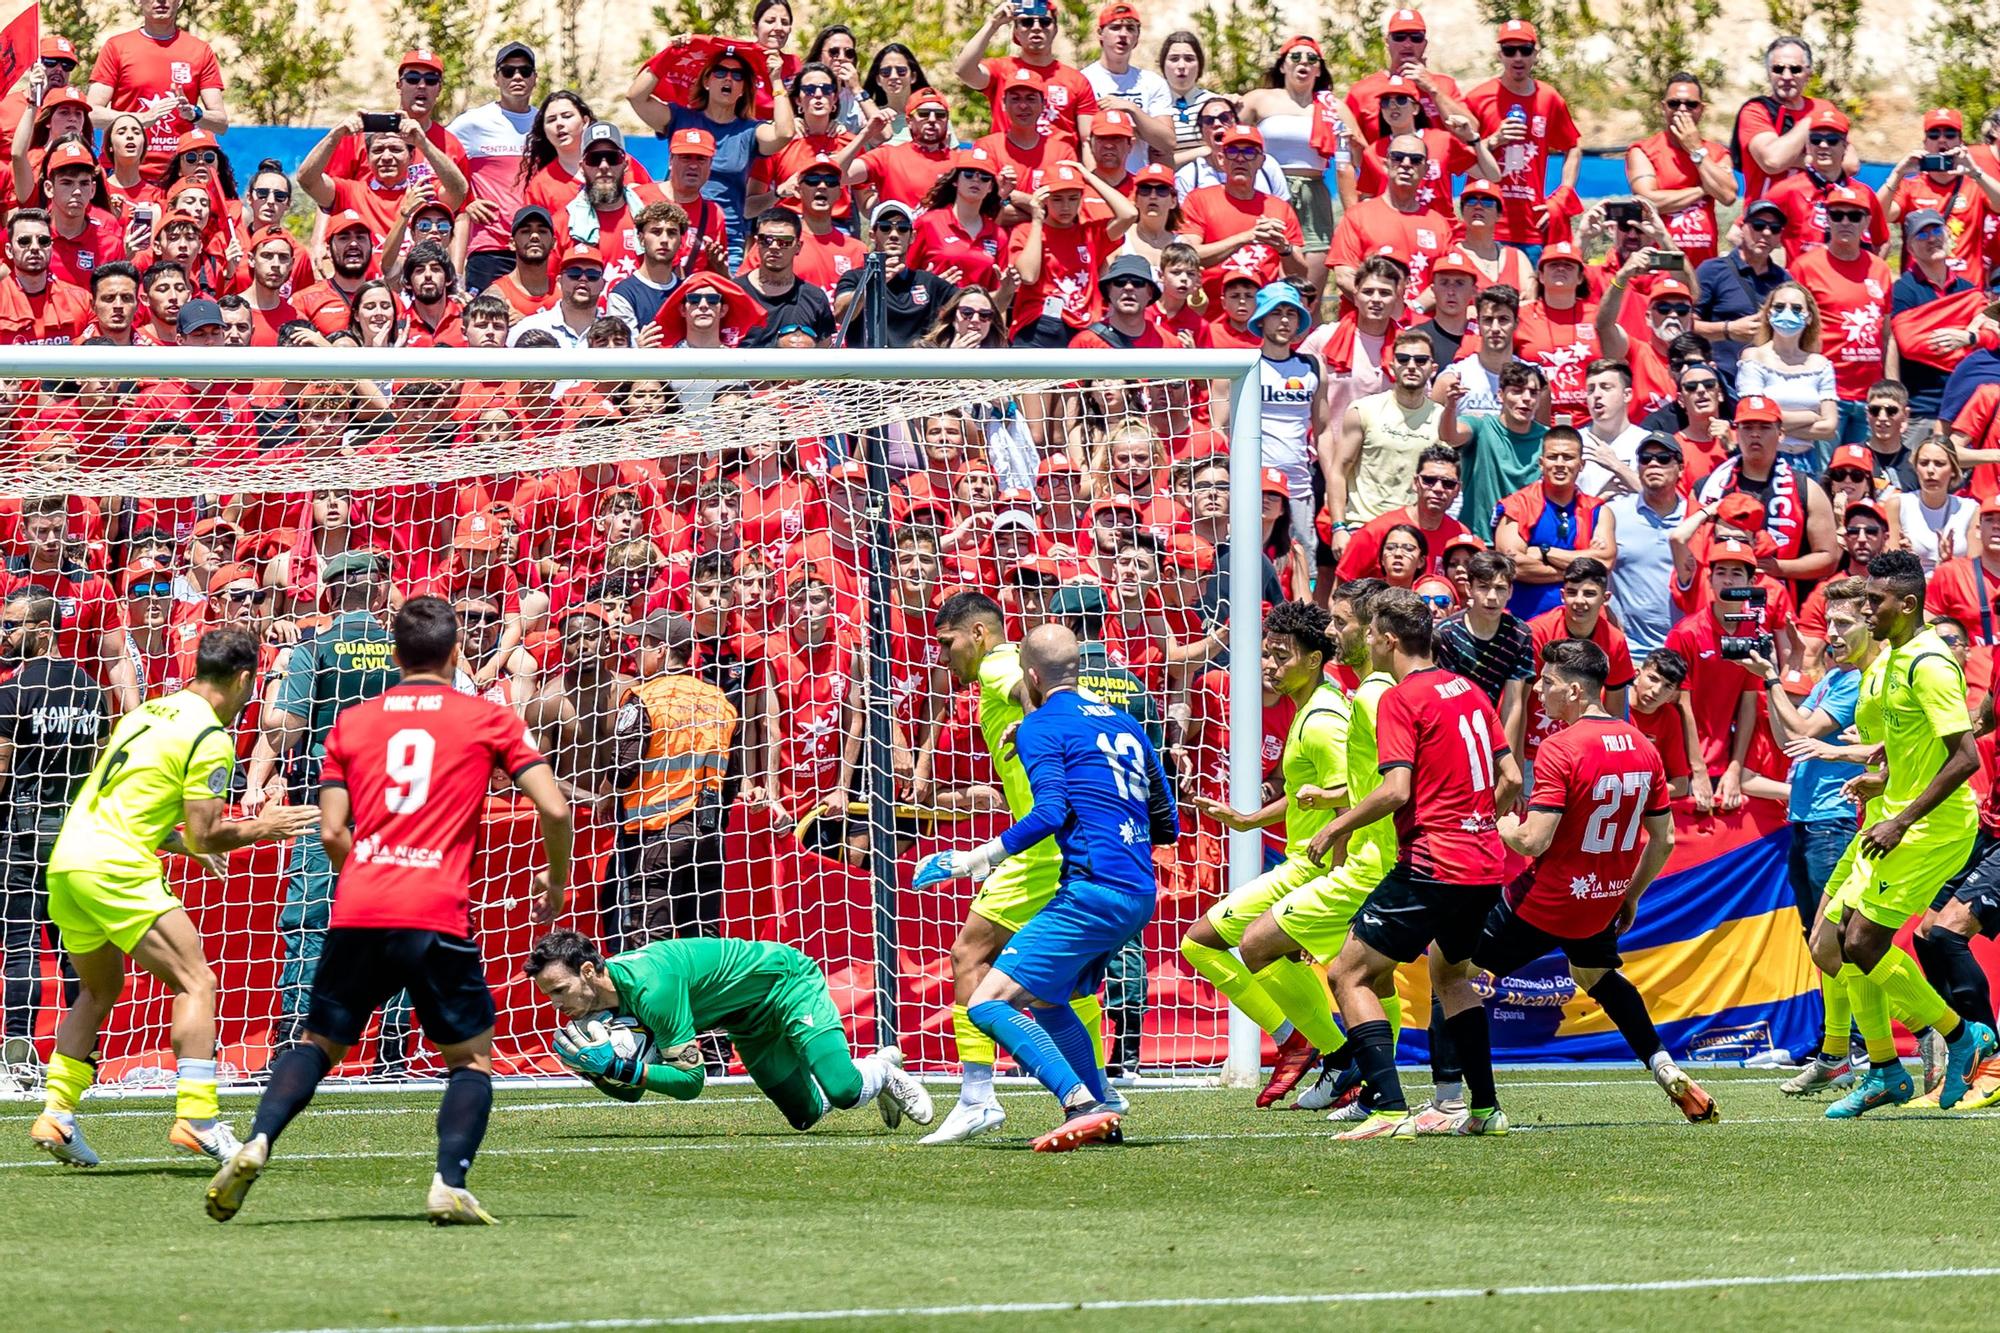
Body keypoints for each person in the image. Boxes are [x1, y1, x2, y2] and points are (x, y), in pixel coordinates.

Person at [202, 599, 571, 1224]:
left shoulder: (352, 723)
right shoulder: (488, 718)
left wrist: (371, 874)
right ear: (455, 654)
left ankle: (259, 1139)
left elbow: (331, 831)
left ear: (395, 656)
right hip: (436, 908)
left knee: (319, 1042)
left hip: (363, 902)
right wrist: (555, 886)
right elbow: (556, 808)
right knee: (470, 1059)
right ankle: (448, 1183)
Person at [27, 628, 319, 1168]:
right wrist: (264, 825)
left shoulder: (147, 714)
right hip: (115, 865)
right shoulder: (210, 736)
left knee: (100, 988)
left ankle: (57, 1114)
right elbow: (211, 832)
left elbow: (129, 799)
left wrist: (182, 844)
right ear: (244, 679)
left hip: (69, 861)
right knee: (197, 980)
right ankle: (197, 1117)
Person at [913, 624, 1176, 1152]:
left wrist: (974, 859)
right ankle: (1103, 1108)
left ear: (1030, 676)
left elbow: (1051, 812)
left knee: (988, 1003)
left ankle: (1080, 1102)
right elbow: (1165, 821)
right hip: (1138, 891)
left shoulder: (1038, 726)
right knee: (1053, 1000)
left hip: (1092, 889)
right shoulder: (1126, 722)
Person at [1309, 587, 1522, 1138]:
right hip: (1483, 865)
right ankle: (1484, 1110)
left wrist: (1337, 823)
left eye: (1371, 632)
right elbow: (1513, 778)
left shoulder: (1402, 698)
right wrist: (1478, 820)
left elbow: (1397, 789)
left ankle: (1386, 1108)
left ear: (1387, 638)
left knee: (1347, 973)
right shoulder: (1471, 691)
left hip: (1434, 860)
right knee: (1452, 977)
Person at [1486, 638, 1714, 1121]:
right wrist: (1629, 897)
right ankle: (1662, 1063)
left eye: (1546, 684)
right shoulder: (1641, 746)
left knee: (1454, 973)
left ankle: (1454, 1101)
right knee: (1595, 974)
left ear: (1573, 690)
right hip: (1601, 901)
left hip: (1547, 900)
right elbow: (1666, 838)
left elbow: (1533, 841)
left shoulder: (1559, 747)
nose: (1539, 692)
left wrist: (1504, 824)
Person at [1810, 550, 1998, 1116]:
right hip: (1890, 817)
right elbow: (1909, 742)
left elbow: (1964, 757)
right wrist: (1881, 780)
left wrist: (1901, 818)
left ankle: (1964, 1038)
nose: (1866, 610)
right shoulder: (1891, 659)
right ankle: (1888, 1073)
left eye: (1874, 602)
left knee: (1863, 943)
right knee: (1830, 945)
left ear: (1907, 604)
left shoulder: (1931, 664)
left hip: (1930, 829)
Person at [1178, 600, 1355, 1106]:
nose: (1270, 666)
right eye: (1266, 656)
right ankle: (1332, 1056)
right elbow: (1311, 794)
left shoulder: (1322, 720)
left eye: (1282, 656)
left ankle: (1320, 1050)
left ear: (1316, 659)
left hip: (1315, 866)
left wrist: (1335, 883)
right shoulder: (1310, 710)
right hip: (1307, 862)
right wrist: (1250, 819)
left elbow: (1355, 794)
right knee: (1215, 943)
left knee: (1205, 943)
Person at [525, 927, 932, 1128]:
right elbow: (632, 1094)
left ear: (589, 971)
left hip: (786, 984)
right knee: (804, 1116)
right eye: (548, 995)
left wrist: (618, 1068)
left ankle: (882, 1070)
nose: (556, 1004)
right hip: (743, 1019)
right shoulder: (602, 1014)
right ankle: (869, 1074)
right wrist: (595, 1070)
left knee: (843, 1090)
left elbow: (691, 1081)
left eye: (560, 990)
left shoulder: (652, 989)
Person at [250, 549, 400, 1054]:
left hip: (327, 797)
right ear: (382, 590)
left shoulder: (313, 648)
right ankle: (393, 1049)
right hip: (393, 798)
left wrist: (271, 706)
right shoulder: (407, 650)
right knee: (397, 916)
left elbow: (287, 730)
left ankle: (296, 1036)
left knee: (312, 915)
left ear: (331, 592)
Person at [1746, 577, 1875, 1096]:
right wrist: (1771, 687)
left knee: (1836, 937)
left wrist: (1772, 680)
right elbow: (1788, 741)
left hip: (1832, 822)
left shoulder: (1847, 683)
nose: (1834, 635)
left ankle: (1856, 1045)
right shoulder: (1829, 680)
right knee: (1818, 938)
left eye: (1844, 624)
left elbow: (1798, 731)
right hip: (1807, 820)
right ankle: (1837, 1045)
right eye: (1831, 624)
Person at [0, 592, 107, 1088]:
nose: (5, 634)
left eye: (14, 625)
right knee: (73, 949)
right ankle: (83, 1058)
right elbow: (97, 768)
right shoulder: (91, 691)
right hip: (74, 834)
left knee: (21, 947)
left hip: (22, 833)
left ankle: (18, 1054)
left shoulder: (14, 691)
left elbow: (1, 767)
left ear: (44, 629)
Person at [1462, 20, 1580, 262]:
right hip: (1485, 223)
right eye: (1509, 50)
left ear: (1535, 54)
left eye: (1524, 50)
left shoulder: (1549, 98)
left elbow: (1573, 146)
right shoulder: (1478, 98)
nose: (1518, 58)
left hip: (1531, 226)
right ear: (1500, 55)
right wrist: (1494, 140)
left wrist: (1563, 195)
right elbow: (1458, 156)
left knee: (1529, 298)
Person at [1790, 185, 1894, 446]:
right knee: (1825, 475)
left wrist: (1891, 388)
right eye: (1837, 215)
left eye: (1854, 216)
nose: (1845, 222)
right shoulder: (1805, 267)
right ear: (1828, 219)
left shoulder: (1879, 268)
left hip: (1871, 399)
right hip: (1827, 395)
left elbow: (1887, 333)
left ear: (1867, 222)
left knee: (1864, 475)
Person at [85, 0, 229, 179]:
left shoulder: (200, 51)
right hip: (122, 173)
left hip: (178, 177)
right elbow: (90, 114)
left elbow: (221, 124)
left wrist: (195, 113)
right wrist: (141, 119)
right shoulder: (116, 47)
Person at [1493, 428, 1618, 620]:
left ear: (1581, 464)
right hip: (1526, 624)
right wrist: (1581, 573)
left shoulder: (1599, 511)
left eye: (1568, 457)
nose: (1560, 464)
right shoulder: (1517, 505)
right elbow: (1513, 566)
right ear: (1541, 463)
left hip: (1582, 628)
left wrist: (1544, 552)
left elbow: (1605, 562)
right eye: (1553, 457)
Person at [1625, 75, 1736, 269]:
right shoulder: (1644, 150)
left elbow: (1727, 195)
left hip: (1703, 264)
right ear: (1663, 107)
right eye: (1674, 103)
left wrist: (1695, 150)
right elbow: (1647, 202)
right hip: (1660, 262)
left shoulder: (1716, 152)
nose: (1682, 110)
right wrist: (1703, 189)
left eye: (1690, 104)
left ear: (1701, 109)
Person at [1434, 550, 1536, 757]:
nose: (1492, 597)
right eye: (1483, 587)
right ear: (1469, 589)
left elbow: (1514, 702)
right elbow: (1447, 701)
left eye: (1500, 589)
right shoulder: (1446, 633)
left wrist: (1504, 759)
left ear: (1510, 592)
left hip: (1493, 727)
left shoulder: (1519, 634)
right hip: (1451, 726)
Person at [1731, 35, 1850, 204]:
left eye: (1795, 70)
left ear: (1808, 72)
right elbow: (1773, 161)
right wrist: (1811, 122)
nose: (1786, 77)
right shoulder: (1756, 110)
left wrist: (1795, 159)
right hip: (1768, 221)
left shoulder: (1825, 108)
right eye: (1778, 69)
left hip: (1813, 219)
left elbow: (1851, 164)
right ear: (1768, 72)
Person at [1692, 198, 1790, 394]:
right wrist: (1729, 329)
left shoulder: (1785, 281)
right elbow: (1687, 325)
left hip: (1767, 383)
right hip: (1720, 383)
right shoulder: (1712, 270)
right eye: (1758, 225)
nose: (1766, 233)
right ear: (1742, 228)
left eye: (1775, 228)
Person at [1605, 434, 1689, 661]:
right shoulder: (1612, 513)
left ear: (1680, 468)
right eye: (1645, 458)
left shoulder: (1696, 518)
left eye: (1663, 458)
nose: (1653, 464)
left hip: (1685, 650)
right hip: (1629, 651)